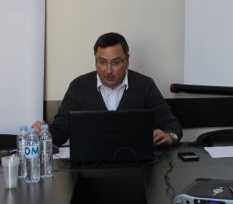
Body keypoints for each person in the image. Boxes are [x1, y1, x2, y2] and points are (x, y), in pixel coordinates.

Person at [32, 32, 182, 147]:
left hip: (137, 166)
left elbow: (172, 125)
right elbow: (60, 131)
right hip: (88, 168)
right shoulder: (78, 87)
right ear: (95, 61)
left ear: (127, 60)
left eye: (115, 63)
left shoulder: (145, 85)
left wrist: (170, 136)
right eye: (102, 62)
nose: (108, 70)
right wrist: (44, 133)